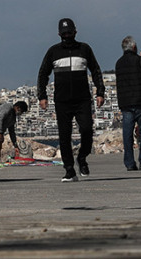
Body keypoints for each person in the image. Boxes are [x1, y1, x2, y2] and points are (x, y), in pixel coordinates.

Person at [37, 18, 104, 182]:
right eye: (64, 33)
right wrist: (42, 96)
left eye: (69, 32)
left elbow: (95, 70)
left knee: (87, 130)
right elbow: (43, 73)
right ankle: (69, 169)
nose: (67, 35)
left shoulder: (85, 49)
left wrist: (100, 92)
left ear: (75, 32)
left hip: (82, 99)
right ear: (59, 34)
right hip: (62, 101)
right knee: (64, 136)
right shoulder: (53, 51)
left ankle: (82, 157)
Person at [114, 36, 141, 171]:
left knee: (127, 134)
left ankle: (129, 163)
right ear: (134, 47)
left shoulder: (119, 63)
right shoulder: (139, 60)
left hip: (126, 103)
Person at [0, 101, 28, 170]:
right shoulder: (7, 107)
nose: (20, 114)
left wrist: (15, 144)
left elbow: (11, 131)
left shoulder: (13, 117)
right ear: (18, 108)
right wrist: (0, 133)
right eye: (21, 111)